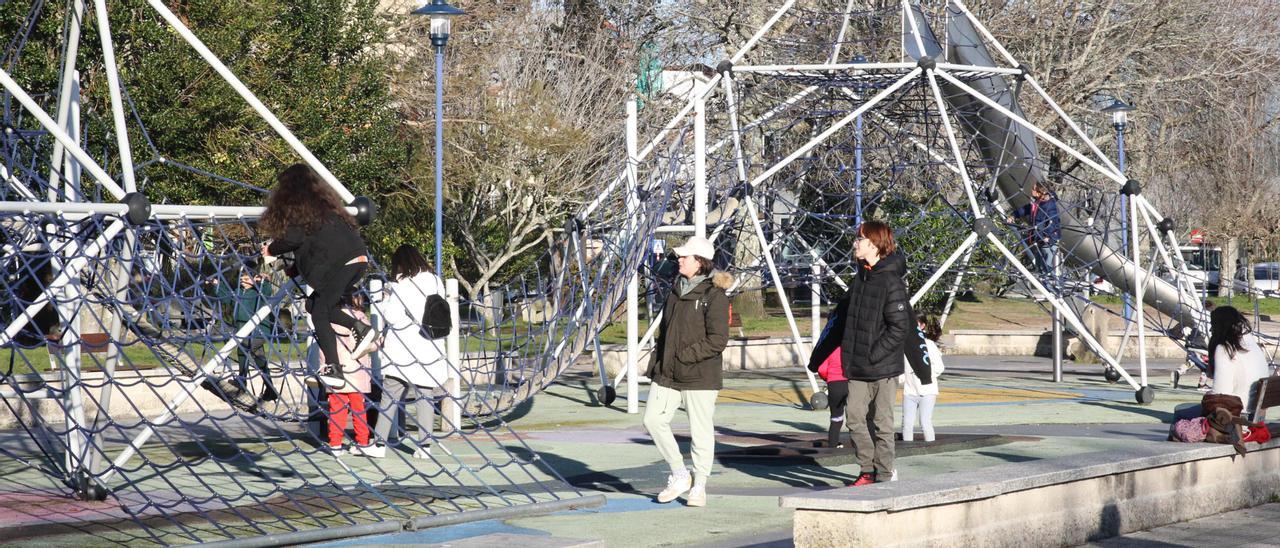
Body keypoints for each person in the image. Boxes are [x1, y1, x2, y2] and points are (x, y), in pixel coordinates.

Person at [807, 220, 915, 486]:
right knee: (854, 420)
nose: (855, 243)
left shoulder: (890, 281)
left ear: (875, 244)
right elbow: (844, 321)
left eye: (860, 239)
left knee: (882, 423)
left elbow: (899, 327)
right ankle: (867, 470)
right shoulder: (860, 279)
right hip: (855, 366)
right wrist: (821, 358)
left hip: (881, 367)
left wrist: (873, 353)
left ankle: (885, 473)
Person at [259, 164, 373, 389]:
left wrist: (271, 250)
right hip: (357, 261)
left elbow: (293, 239)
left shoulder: (302, 211)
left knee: (319, 312)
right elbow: (315, 248)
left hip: (343, 265)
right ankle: (359, 328)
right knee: (314, 304)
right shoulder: (326, 207)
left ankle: (333, 366)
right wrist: (292, 268)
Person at [643, 235, 731, 508]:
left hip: (700, 376)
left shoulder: (714, 295)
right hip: (668, 373)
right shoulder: (674, 290)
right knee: (652, 420)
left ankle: (699, 484)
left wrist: (685, 356)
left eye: (685, 256)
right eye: (680, 256)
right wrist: (658, 363)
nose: (679, 259)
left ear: (700, 262)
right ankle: (680, 473)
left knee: (701, 431)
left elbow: (718, 339)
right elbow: (665, 332)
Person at [363, 244, 449, 459]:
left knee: (389, 395)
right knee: (425, 395)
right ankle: (425, 447)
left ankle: (379, 444)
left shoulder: (402, 285)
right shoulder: (435, 280)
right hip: (430, 345)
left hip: (404, 349)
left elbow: (393, 316)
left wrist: (385, 299)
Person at [1170, 306, 1271, 425]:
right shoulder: (1252, 344)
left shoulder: (1225, 348)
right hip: (1256, 415)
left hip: (1235, 416)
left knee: (1180, 412)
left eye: (1213, 326)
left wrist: (1208, 395)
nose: (1212, 330)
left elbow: (1221, 393)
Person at [213, 264, 277, 402]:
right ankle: (270, 389)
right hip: (243, 332)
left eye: (247, 278)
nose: (243, 280)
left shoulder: (258, 292)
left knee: (243, 349)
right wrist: (217, 285)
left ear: (255, 279)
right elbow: (226, 298)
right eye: (242, 277)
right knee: (259, 359)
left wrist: (263, 281)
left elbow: (267, 291)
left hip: (259, 332)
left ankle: (241, 382)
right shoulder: (238, 292)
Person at [326, 295, 378, 456]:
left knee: (336, 411)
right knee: (359, 410)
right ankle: (362, 442)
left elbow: (324, 347)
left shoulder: (330, 318)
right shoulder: (361, 319)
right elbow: (372, 344)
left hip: (338, 372)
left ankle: (335, 444)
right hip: (357, 372)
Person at [901, 314, 945, 442]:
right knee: (907, 424)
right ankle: (906, 449)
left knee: (925, 422)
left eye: (916, 324)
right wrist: (901, 378)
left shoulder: (929, 345)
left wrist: (925, 374)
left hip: (927, 391)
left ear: (922, 326)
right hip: (909, 390)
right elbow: (902, 367)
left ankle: (930, 448)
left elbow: (939, 367)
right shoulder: (904, 344)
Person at [1012, 182, 1060, 277]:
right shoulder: (1037, 202)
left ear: (1040, 192)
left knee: (1046, 268)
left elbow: (1054, 222)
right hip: (1038, 239)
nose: (1031, 190)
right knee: (1040, 267)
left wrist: (1048, 236)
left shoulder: (1050, 205)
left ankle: (1052, 288)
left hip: (1047, 242)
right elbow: (1026, 209)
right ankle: (1047, 287)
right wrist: (1014, 215)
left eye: (1033, 189)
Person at [816, 347, 848, 449]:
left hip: (834, 383)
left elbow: (822, 369)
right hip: (851, 382)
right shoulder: (852, 345)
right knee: (856, 417)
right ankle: (860, 445)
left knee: (836, 417)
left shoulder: (830, 347)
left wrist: (827, 377)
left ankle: (833, 445)